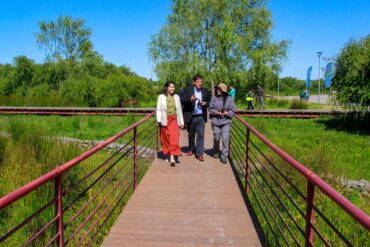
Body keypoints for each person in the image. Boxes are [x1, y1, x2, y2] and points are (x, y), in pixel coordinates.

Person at [180, 74, 210, 161]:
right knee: (191, 134)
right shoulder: (187, 90)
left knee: (201, 135)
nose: (200, 83)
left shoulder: (205, 90)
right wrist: (190, 100)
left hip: (201, 116)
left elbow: (209, 101)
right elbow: (182, 100)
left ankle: (199, 153)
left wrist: (205, 103)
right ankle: (191, 149)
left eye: (201, 81)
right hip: (191, 116)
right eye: (198, 81)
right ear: (194, 82)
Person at [156, 81, 184, 166]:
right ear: (166, 88)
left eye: (174, 87)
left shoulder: (176, 97)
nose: (173, 88)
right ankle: (168, 155)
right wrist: (158, 120)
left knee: (174, 138)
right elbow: (159, 109)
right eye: (171, 87)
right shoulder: (161, 97)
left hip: (174, 120)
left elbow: (179, 110)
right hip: (165, 120)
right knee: (166, 139)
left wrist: (181, 121)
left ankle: (172, 157)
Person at [209, 83, 236, 164]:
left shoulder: (229, 99)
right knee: (217, 138)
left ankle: (224, 156)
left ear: (223, 90)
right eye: (217, 88)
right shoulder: (214, 98)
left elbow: (233, 109)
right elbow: (210, 109)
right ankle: (216, 151)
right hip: (216, 122)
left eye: (219, 89)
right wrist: (217, 113)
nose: (218, 90)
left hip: (226, 122)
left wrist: (226, 113)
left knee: (225, 139)